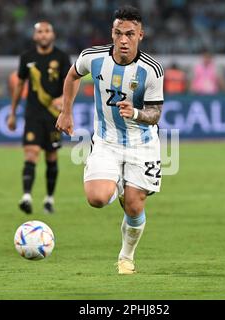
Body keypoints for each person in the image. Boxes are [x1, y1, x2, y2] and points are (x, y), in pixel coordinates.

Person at [56, 5, 164, 275]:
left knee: (134, 204)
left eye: (130, 34)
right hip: (107, 140)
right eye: (118, 33)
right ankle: (116, 183)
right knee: (97, 198)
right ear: (112, 33)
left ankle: (126, 257)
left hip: (142, 143)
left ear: (141, 35)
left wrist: (136, 112)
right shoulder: (93, 58)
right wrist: (66, 112)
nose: (123, 40)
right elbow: (72, 75)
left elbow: (155, 113)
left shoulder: (152, 70)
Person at [7, 21, 71, 214]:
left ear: (52, 35)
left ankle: (49, 199)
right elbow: (19, 86)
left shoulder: (61, 57)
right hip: (33, 114)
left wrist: (63, 100)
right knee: (31, 153)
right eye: (40, 32)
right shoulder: (27, 57)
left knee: (51, 156)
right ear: (35, 36)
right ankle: (26, 196)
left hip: (54, 116)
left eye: (47, 31)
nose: (43, 35)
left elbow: (70, 82)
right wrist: (12, 113)